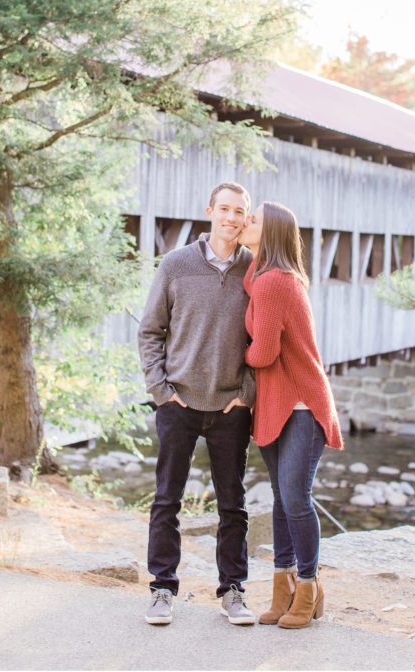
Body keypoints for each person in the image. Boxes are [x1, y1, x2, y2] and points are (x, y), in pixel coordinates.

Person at [138, 181, 257, 626]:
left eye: (239, 211)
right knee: (167, 500)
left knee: (233, 504)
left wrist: (246, 394)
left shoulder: (254, 270)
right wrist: (161, 392)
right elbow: (150, 332)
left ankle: (232, 590)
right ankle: (162, 588)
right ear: (210, 211)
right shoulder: (175, 265)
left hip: (230, 408)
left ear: (247, 218)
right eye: (224, 209)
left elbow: (262, 341)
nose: (231, 217)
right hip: (179, 404)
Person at [238, 201, 343, 630]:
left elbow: (263, 352)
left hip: (301, 405)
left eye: (254, 219)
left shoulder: (274, 283)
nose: (245, 222)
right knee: (282, 498)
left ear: (273, 232)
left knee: (296, 497)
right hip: (277, 405)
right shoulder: (261, 278)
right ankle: (282, 589)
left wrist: (233, 357)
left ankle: (308, 586)